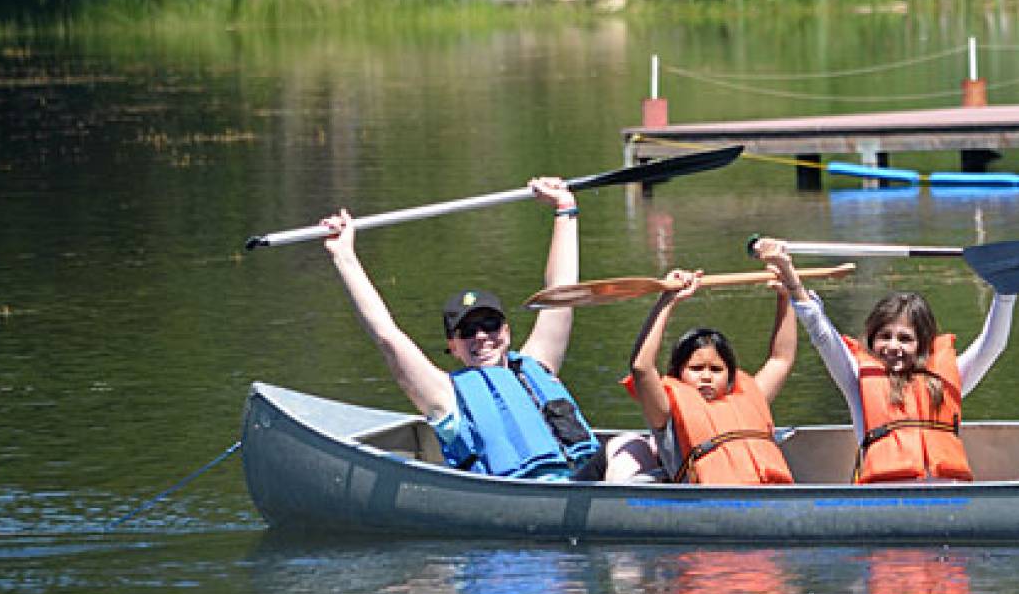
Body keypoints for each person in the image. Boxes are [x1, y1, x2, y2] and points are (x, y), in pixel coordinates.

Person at [318, 176, 605, 481]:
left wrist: (565, 208)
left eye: (489, 324)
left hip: (587, 480)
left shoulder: (539, 365)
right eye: (467, 331)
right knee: (622, 452)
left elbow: (562, 290)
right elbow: (387, 334)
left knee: (632, 447)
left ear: (506, 332)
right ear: (452, 346)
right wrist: (344, 256)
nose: (481, 336)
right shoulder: (444, 396)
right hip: (531, 494)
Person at [752, 237, 1015, 484]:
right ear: (872, 339)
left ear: (922, 344)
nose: (893, 346)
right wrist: (788, 273)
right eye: (884, 336)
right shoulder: (858, 379)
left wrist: (1006, 291)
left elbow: (992, 346)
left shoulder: (945, 380)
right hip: (885, 498)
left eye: (905, 339)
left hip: (949, 497)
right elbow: (821, 332)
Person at [621, 265, 797, 484]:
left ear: (730, 377)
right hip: (708, 502)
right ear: (678, 373)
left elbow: (781, 358)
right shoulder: (665, 412)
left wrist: (786, 295)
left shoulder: (749, 395)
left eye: (716, 369)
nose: (706, 377)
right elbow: (641, 367)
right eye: (696, 369)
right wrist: (667, 301)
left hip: (769, 496)